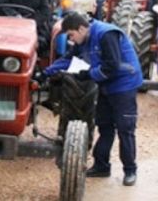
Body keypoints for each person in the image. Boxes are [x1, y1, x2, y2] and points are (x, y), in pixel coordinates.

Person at [43, 12, 142, 186]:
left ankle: (130, 171)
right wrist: (45, 73)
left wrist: (87, 74)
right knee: (104, 126)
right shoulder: (84, 40)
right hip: (106, 85)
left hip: (124, 85)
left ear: (81, 29)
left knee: (124, 129)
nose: (72, 40)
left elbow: (112, 66)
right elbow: (68, 59)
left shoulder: (106, 34)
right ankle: (101, 166)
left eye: (72, 35)